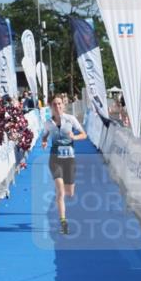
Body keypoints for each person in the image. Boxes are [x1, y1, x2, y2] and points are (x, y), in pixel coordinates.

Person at [40, 95, 87, 235]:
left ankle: (63, 196)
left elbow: (84, 134)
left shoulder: (71, 119)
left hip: (69, 160)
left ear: (63, 105)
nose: (57, 106)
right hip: (55, 159)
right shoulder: (48, 123)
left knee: (69, 193)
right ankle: (63, 222)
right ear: (51, 106)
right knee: (60, 191)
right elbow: (45, 135)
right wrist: (44, 141)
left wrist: (75, 137)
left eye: (59, 104)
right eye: (54, 104)